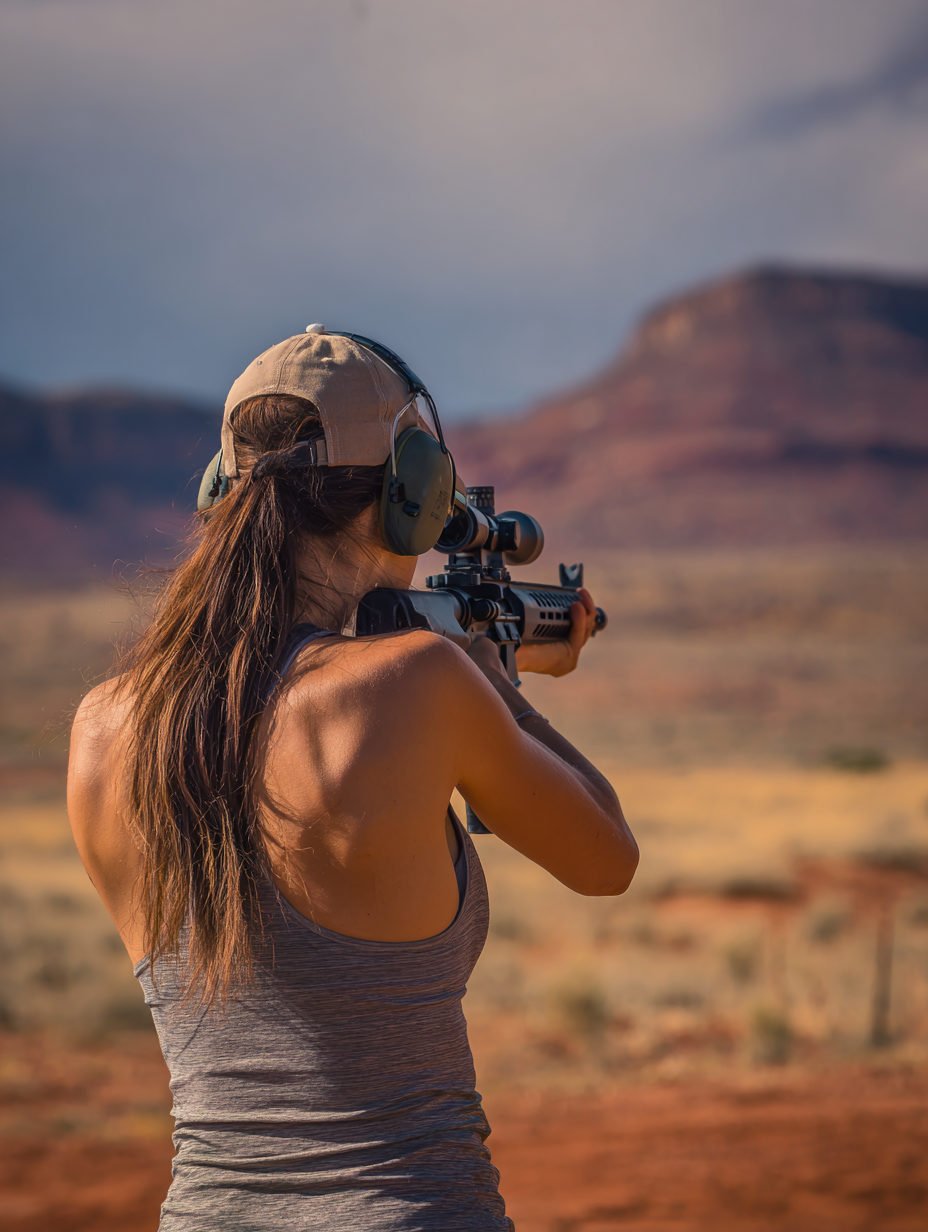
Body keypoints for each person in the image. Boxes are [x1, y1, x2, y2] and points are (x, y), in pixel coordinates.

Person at [68, 328, 639, 1231]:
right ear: (411, 494)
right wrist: (498, 688)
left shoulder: (101, 726)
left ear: (224, 494)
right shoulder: (422, 681)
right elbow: (607, 857)